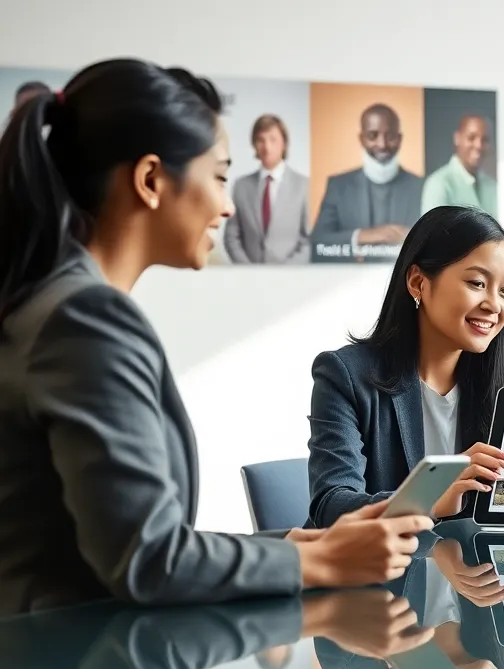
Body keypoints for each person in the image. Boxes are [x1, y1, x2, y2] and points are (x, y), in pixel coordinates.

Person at [0, 59, 430, 619]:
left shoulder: (55, 302)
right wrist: (320, 565)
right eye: (221, 176)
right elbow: (148, 560)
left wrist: (305, 545)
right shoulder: (86, 318)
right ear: (152, 180)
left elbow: (132, 543)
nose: (228, 205)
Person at [307, 205, 504, 528]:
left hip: (471, 572)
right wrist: (431, 497)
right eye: (477, 283)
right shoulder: (346, 375)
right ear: (418, 283)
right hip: (377, 574)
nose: (494, 304)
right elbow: (332, 504)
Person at [311, 103, 423, 263]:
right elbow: (317, 243)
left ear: (399, 139)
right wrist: (362, 236)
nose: (382, 144)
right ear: (361, 139)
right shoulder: (338, 186)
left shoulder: (422, 187)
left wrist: (414, 238)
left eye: (390, 136)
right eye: (372, 136)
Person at [223, 113, 310, 264]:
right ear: (254, 145)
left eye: (273, 139)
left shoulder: (303, 185)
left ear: (284, 143)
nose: (267, 147)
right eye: (260, 140)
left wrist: (284, 275)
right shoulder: (241, 186)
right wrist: (250, 274)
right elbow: (231, 237)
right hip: (249, 280)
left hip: (290, 280)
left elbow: (309, 240)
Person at [422, 114, 498, 216]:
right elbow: (431, 231)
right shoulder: (439, 184)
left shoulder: (492, 185)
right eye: (471, 138)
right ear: (457, 138)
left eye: (485, 140)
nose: (478, 145)